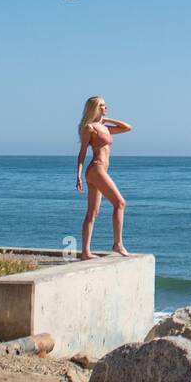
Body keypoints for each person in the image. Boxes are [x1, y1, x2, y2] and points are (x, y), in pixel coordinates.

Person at [75, 96, 132, 259]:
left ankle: (85, 252)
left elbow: (127, 127)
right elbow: (82, 153)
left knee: (93, 213)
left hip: (101, 171)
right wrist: (78, 175)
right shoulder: (90, 128)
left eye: (105, 106)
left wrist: (105, 119)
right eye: (101, 106)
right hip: (96, 168)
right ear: (94, 108)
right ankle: (117, 244)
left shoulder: (104, 127)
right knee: (120, 203)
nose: (105, 108)